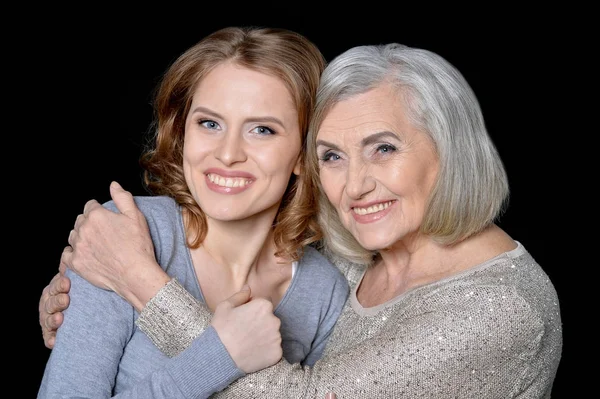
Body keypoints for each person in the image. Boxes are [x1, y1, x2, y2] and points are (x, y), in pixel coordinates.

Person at [40, 42, 563, 398]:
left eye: (384, 148)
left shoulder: (500, 310)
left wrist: (139, 282)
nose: (354, 185)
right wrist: (82, 285)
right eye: (332, 155)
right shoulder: (351, 254)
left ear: (451, 151)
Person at [37, 26, 350, 398]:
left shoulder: (322, 291)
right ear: (183, 131)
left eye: (262, 130)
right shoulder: (126, 234)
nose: (228, 153)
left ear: (302, 154)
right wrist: (218, 356)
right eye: (210, 123)